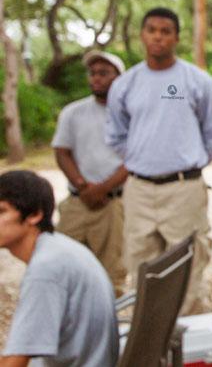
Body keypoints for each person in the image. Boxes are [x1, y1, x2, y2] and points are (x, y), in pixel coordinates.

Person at [106, 7, 212, 314]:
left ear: (176, 37)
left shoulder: (197, 81)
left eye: (165, 31)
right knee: (141, 266)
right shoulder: (125, 84)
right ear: (142, 35)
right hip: (139, 191)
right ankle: (148, 345)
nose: (158, 37)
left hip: (183, 190)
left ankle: (186, 346)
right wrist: (145, 160)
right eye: (152, 30)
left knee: (188, 266)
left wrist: (184, 164)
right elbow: (117, 136)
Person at [0, 170, 118, 367]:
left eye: (2, 211)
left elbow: (16, 361)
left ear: (35, 215)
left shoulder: (45, 270)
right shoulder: (59, 248)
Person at [52, 50, 128, 296]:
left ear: (119, 78)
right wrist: (83, 186)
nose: (96, 78)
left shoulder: (130, 115)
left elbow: (134, 159)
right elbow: (62, 151)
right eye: (93, 73)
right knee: (63, 269)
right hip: (78, 201)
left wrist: (103, 188)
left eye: (104, 73)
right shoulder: (72, 112)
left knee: (111, 276)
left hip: (112, 203)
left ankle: (110, 330)